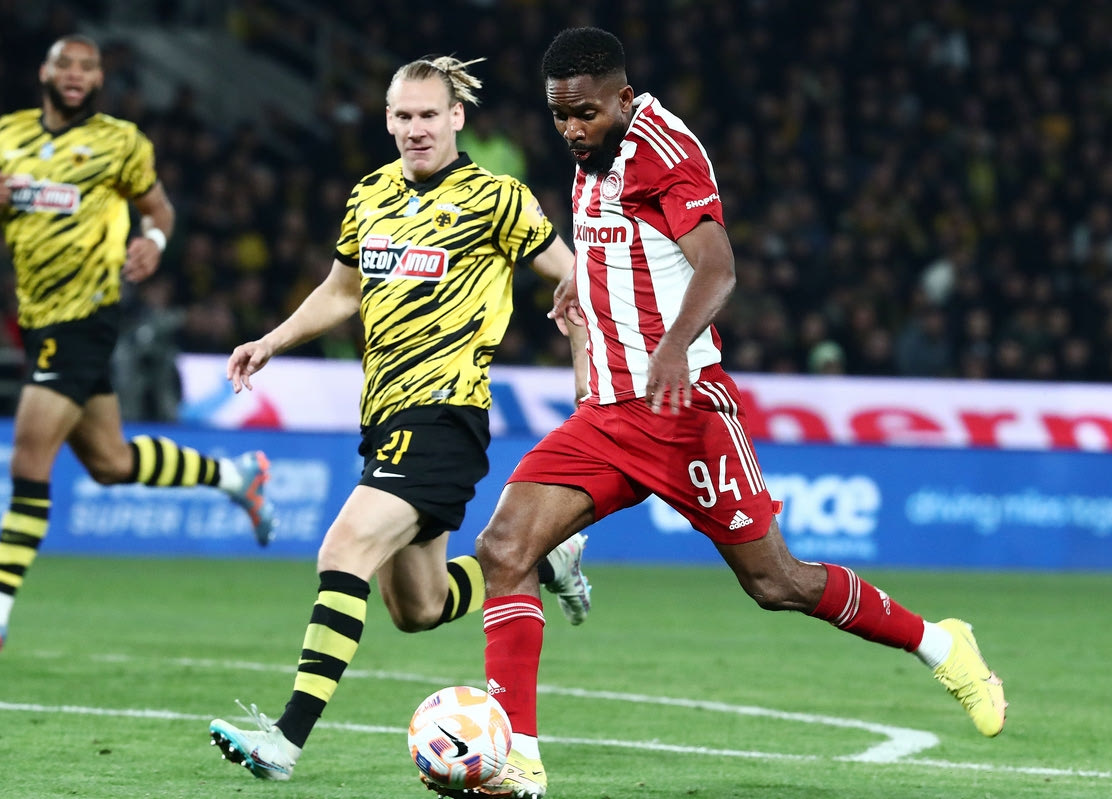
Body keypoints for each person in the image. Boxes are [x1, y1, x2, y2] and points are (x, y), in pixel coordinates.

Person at [428, 28, 1008, 799]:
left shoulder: (664, 151)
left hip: (685, 410)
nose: (571, 129)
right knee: (505, 547)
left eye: (585, 114)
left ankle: (942, 644)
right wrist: (583, 281)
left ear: (623, 99)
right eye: (559, 115)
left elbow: (717, 265)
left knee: (777, 581)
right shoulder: (592, 151)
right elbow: (624, 242)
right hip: (608, 414)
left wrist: (674, 346)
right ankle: (519, 759)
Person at [207, 55, 593, 783]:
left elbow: (577, 275)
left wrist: (581, 354)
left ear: (457, 117)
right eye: (404, 116)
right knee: (418, 606)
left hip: (446, 413)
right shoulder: (370, 194)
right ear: (388, 120)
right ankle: (547, 559)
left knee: (343, 547)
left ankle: (285, 740)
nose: (417, 128)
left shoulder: (497, 199)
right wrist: (271, 341)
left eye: (429, 115)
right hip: (384, 419)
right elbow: (340, 291)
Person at [0, 35, 275, 656]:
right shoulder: (7, 134)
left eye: (88, 67)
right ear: (45, 71)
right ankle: (235, 477)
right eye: (66, 63)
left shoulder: (121, 142)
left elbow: (160, 212)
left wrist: (154, 244)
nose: (76, 74)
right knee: (110, 462)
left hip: (84, 316)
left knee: (29, 459)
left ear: (98, 80)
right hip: (37, 319)